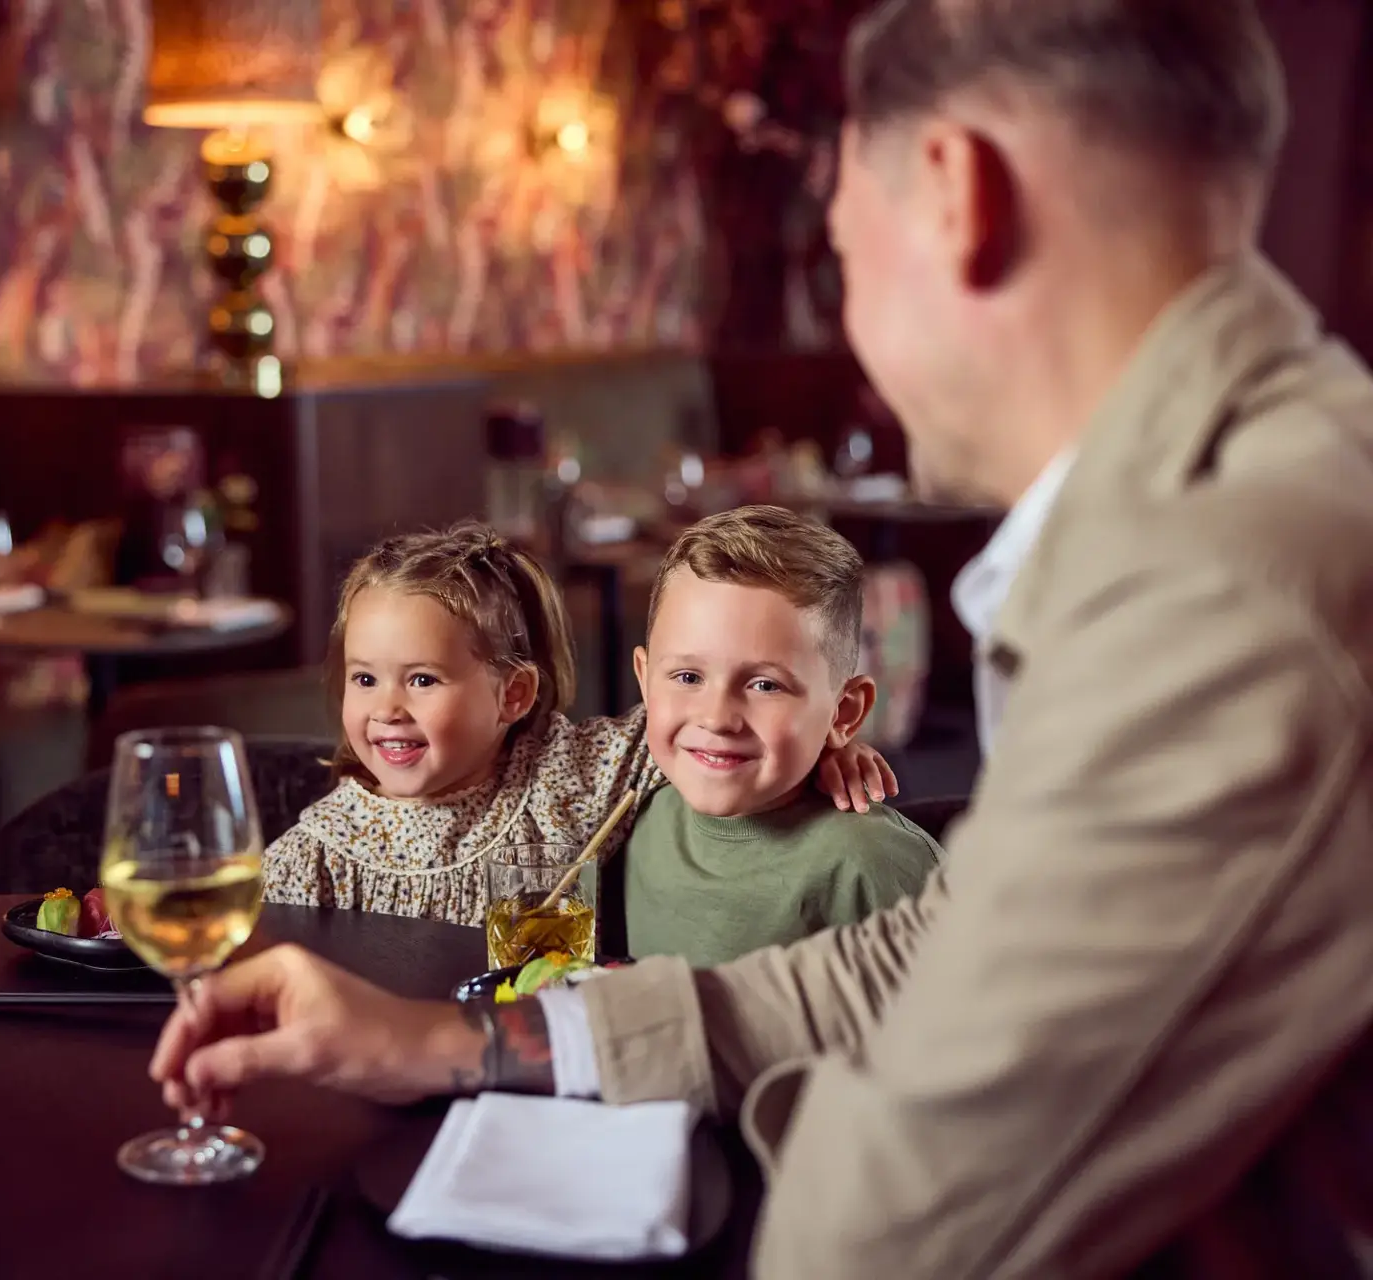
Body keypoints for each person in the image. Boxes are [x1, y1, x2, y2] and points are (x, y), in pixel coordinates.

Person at [151, 2, 1373, 1274]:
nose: (847, 305)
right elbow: (931, 961)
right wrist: (453, 1044)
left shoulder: (1228, 594)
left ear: (956, 190)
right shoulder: (1248, 498)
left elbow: (901, 1224)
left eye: (843, 243)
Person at [261, 521, 898, 925]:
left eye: (423, 680)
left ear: (513, 695)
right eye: (364, 678)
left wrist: (830, 748)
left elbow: (704, 737)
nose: (387, 709)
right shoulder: (313, 856)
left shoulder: (571, 777)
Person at [618, 506, 937, 967]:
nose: (717, 717)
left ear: (843, 712)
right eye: (688, 676)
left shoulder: (870, 868)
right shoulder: (629, 816)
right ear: (645, 681)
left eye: (765, 685)